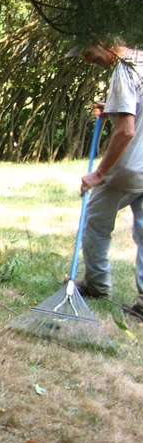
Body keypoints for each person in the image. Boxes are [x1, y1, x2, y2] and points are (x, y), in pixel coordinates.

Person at [72, 40, 143, 321]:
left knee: (96, 225)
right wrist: (112, 107)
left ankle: (96, 286)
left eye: (88, 53)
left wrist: (99, 174)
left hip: (126, 170)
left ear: (105, 42)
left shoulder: (123, 71)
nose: (88, 61)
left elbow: (126, 131)